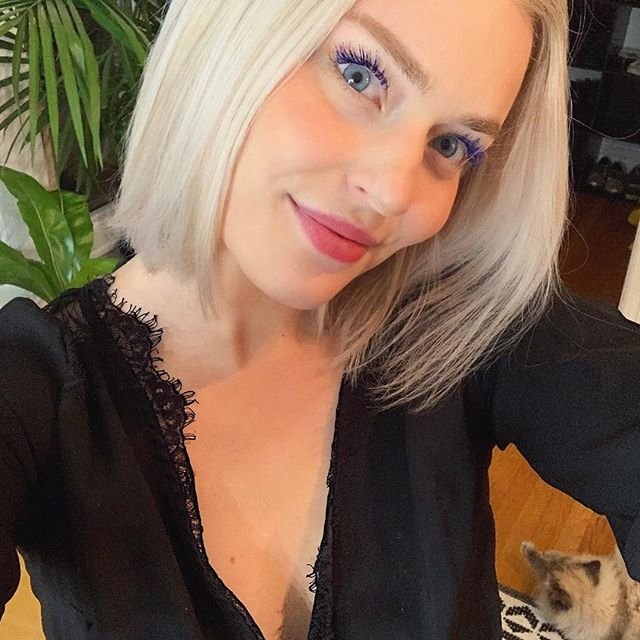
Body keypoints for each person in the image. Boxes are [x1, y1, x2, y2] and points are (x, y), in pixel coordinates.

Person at [1, 0, 639, 638]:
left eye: (450, 144)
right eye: (361, 75)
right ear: (232, 37)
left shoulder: (457, 324)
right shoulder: (32, 386)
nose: (392, 192)